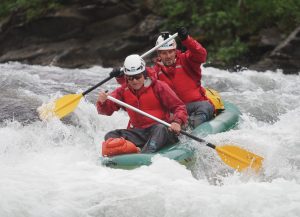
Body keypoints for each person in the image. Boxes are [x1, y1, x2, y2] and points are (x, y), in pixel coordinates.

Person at [96, 54, 188, 156]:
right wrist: (102, 102)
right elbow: (105, 111)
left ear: (144, 74)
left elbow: (179, 107)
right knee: (111, 135)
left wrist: (177, 122)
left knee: (160, 129)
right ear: (126, 77)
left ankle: (144, 154)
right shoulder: (122, 91)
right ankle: (132, 149)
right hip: (139, 133)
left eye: (137, 77)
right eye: (130, 78)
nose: (134, 81)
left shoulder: (159, 86)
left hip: (161, 131)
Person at [151, 27, 215, 128]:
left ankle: (192, 127)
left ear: (175, 50)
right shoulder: (154, 72)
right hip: (175, 112)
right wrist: (120, 76)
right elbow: (136, 84)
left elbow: (201, 54)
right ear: (159, 54)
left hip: (196, 105)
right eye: (164, 53)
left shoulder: (186, 60)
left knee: (205, 106)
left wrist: (187, 39)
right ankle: (181, 128)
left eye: (170, 52)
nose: (168, 56)